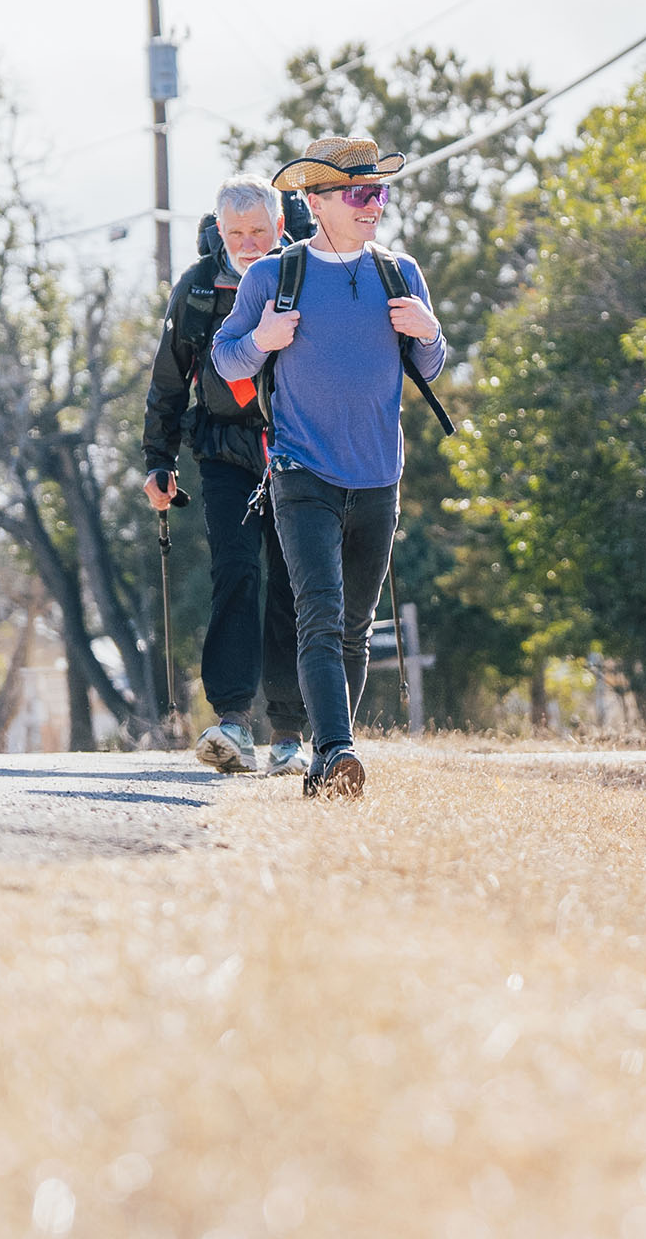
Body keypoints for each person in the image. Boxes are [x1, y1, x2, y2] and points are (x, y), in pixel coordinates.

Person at [212, 135, 445, 799]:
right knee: (318, 611)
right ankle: (340, 750)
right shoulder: (271, 277)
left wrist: (429, 331)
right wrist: (261, 339)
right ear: (318, 202)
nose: (376, 205)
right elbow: (226, 358)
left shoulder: (399, 273)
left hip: (378, 476)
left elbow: (430, 367)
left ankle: (322, 756)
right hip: (300, 471)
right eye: (362, 193)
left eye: (381, 192)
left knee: (352, 628)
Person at [143, 177, 310, 777]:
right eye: (234, 232)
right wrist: (158, 462)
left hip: (298, 450)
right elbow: (168, 383)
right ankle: (234, 721)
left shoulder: (305, 273)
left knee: (294, 582)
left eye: (258, 232)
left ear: (279, 228)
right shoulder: (194, 289)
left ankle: (290, 730)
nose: (246, 243)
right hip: (223, 452)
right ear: (219, 228)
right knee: (236, 573)